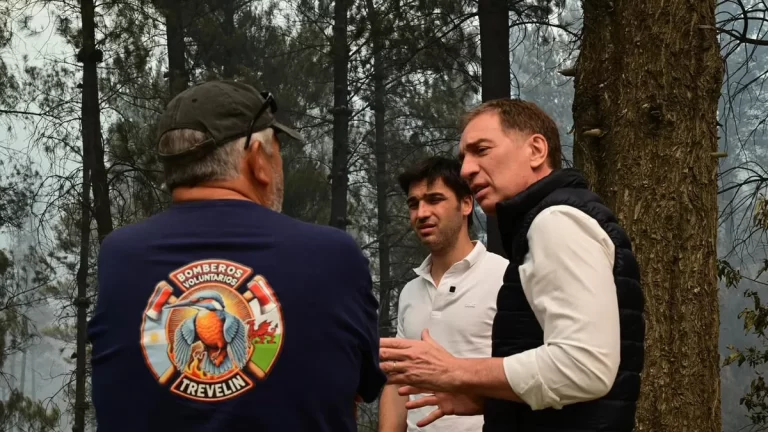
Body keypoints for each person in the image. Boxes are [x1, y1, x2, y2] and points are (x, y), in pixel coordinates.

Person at [88, 80, 386, 432]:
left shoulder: (119, 257)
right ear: (258, 159)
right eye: (277, 152)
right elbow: (362, 387)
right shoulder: (334, 257)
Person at [379, 99, 645, 431]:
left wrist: (456, 372)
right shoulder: (549, 222)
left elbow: (584, 366)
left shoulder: (555, 221)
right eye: (464, 158)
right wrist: (491, 401)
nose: (466, 170)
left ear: (536, 150)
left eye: (481, 150)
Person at [378, 156, 508, 432]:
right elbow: (398, 382)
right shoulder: (410, 292)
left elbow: (528, 378)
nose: (421, 213)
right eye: (413, 204)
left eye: (434, 199)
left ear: (466, 204)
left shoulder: (505, 278)